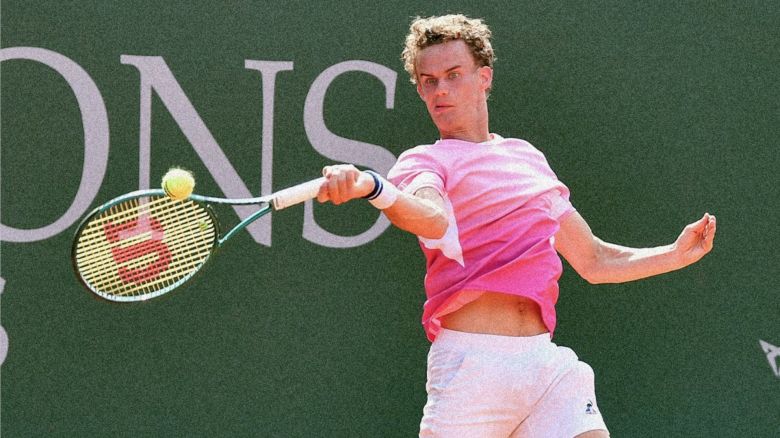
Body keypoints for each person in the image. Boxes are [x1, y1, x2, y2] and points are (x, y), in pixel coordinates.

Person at [316, 14, 717, 438]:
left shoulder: (527, 158)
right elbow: (433, 219)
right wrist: (375, 187)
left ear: (484, 77)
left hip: (545, 366)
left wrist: (674, 254)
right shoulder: (424, 162)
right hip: (471, 370)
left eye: (453, 75)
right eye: (429, 81)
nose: (441, 90)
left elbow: (594, 259)